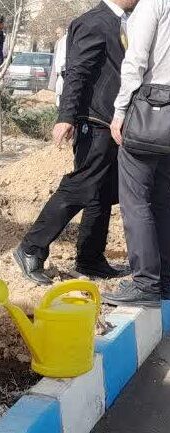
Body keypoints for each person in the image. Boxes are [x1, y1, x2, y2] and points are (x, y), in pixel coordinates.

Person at [14, 0, 137, 286]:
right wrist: (66, 116)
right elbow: (77, 73)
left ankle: (90, 259)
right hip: (93, 121)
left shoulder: (121, 23)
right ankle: (31, 248)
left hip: (111, 122)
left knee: (102, 192)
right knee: (81, 186)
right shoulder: (94, 21)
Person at [105, 0, 170, 307]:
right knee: (162, 198)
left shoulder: (152, 5)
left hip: (150, 108)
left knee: (135, 198)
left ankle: (145, 282)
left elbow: (135, 61)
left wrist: (119, 111)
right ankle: (166, 280)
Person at [49, 27, 68, 107]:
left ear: (63, 32)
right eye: (56, 33)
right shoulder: (58, 41)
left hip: (63, 69)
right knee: (58, 87)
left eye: (58, 33)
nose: (57, 35)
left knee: (62, 88)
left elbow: (63, 55)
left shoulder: (65, 41)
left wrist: (60, 67)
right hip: (58, 68)